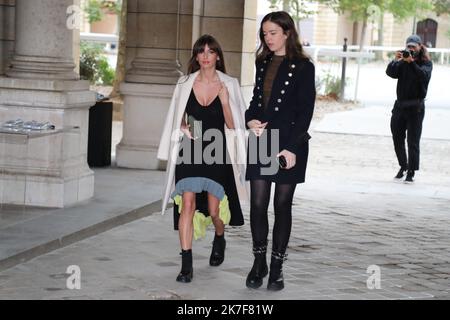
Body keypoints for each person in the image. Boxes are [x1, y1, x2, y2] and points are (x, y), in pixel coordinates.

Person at [157, 35, 248, 283]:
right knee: (186, 204)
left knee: (213, 210)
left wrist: (225, 102)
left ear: (218, 56)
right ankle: (186, 264)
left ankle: (220, 236)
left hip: (217, 151)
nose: (206, 56)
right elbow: (176, 114)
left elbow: (233, 125)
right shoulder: (185, 82)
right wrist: (183, 125)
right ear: (196, 56)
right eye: (201, 51)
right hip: (191, 149)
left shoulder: (229, 83)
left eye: (211, 51)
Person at [244, 11, 316, 291]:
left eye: (273, 33)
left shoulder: (303, 66)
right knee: (258, 205)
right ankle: (258, 262)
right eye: (264, 33)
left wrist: (292, 147)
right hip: (262, 140)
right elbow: (256, 99)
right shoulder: (261, 61)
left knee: (282, 206)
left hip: (289, 144)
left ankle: (276, 268)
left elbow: (305, 111)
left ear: (287, 32)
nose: (268, 38)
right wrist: (249, 119)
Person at [386, 34, 432, 183]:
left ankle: (411, 171)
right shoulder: (402, 61)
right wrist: (395, 60)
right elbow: (390, 73)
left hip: (416, 107)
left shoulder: (426, 63)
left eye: (413, 46)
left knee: (413, 141)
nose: (410, 49)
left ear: (420, 47)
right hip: (400, 106)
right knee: (397, 138)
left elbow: (423, 76)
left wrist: (411, 62)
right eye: (408, 46)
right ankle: (403, 165)